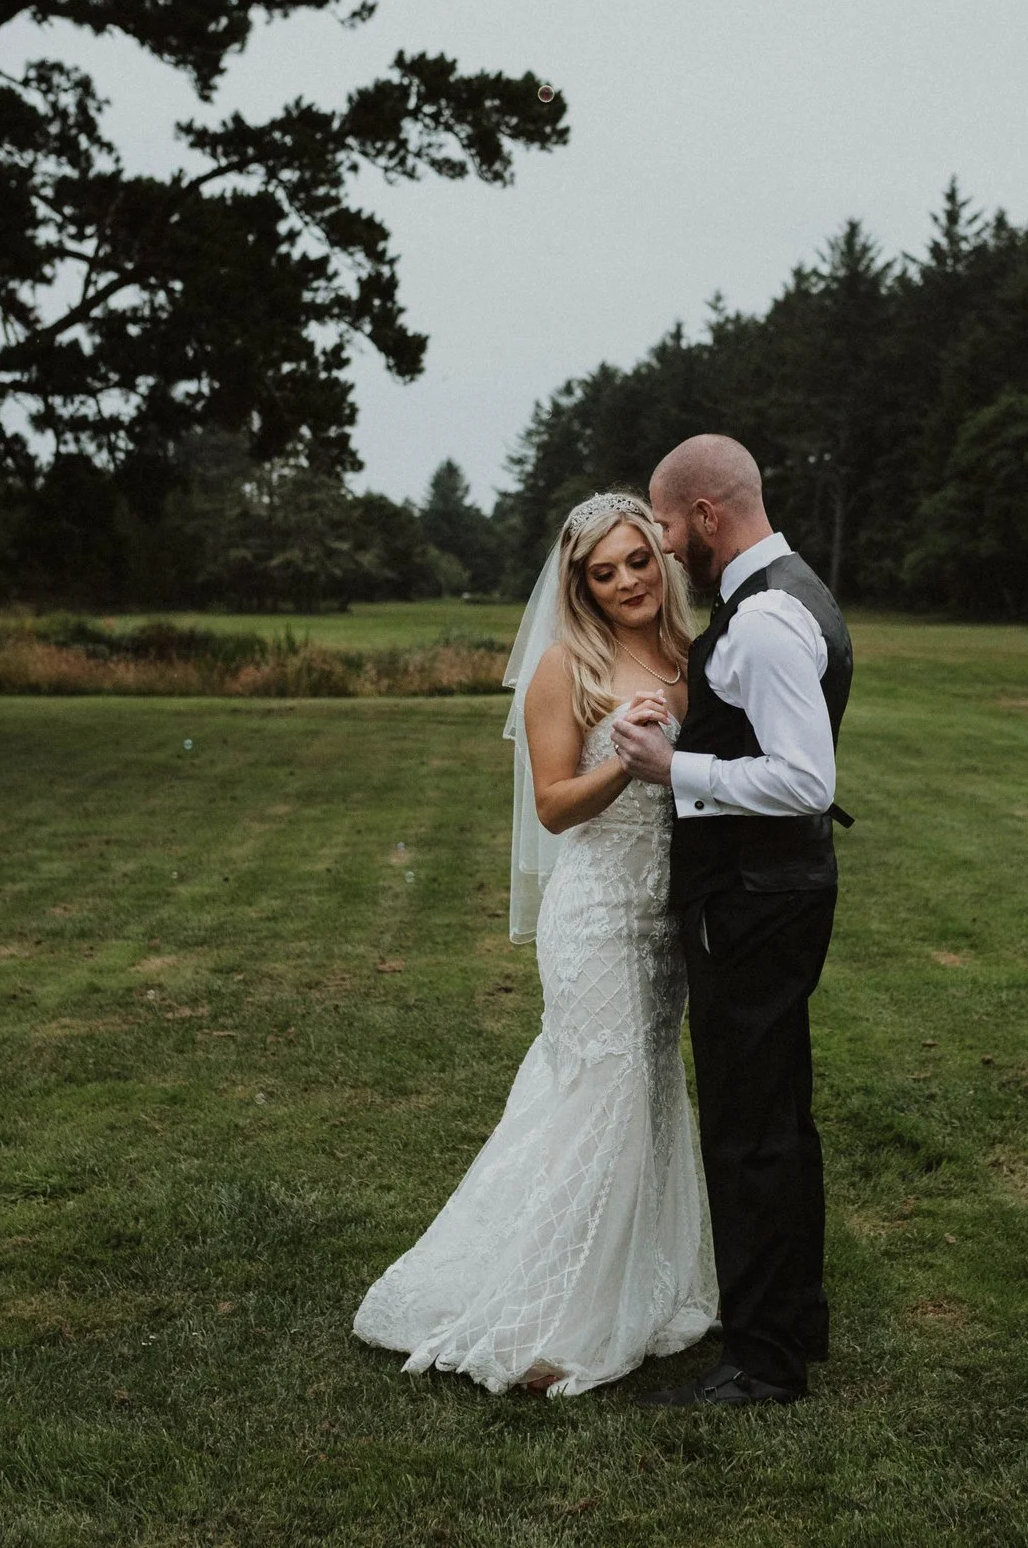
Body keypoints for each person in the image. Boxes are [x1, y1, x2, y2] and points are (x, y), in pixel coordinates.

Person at [352, 493, 718, 1396]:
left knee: (652, 1087)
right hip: (595, 913)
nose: (628, 580)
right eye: (605, 572)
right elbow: (555, 803)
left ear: (658, 559)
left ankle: (638, 1277)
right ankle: (554, 1303)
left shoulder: (689, 655)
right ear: (581, 586)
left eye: (638, 560)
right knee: (603, 1084)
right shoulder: (567, 667)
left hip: (665, 913)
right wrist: (622, 763)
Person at [614, 433, 852, 1408]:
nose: (665, 546)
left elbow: (804, 777)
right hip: (776, 892)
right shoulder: (795, 591)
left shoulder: (761, 618)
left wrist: (677, 769)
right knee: (779, 1119)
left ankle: (761, 1362)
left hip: (750, 901)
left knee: (748, 1129)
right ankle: (792, 1319)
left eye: (666, 525)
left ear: (706, 513)